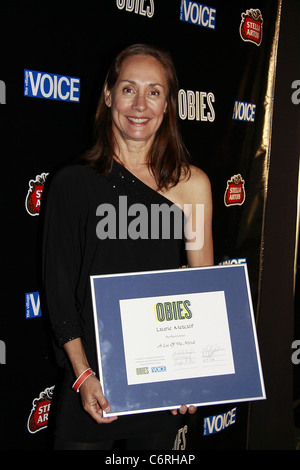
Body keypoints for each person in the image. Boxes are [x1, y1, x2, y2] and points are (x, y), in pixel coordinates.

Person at [42, 43, 213, 450]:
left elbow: (203, 291)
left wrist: (195, 372)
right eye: (128, 89)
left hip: (161, 383)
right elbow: (60, 292)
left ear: (168, 104)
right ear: (108, 95)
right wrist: (83, 376)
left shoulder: (192, 186)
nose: (140, 105)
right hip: (91, 381)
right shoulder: (72, 183)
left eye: (154, 92)